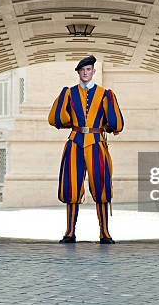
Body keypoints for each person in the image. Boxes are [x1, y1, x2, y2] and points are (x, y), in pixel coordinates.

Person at [48, 55, 124, 244]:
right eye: (82, 70)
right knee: (71, 187)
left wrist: (105, 126)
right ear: (78, 73)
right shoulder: (69, 93)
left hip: (97, 143)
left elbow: (116, 123)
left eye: (88, 69)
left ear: (93, 71)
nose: (85, 72)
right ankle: (69, 232)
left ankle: (104, 232)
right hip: (75, 142)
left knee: (101, 186)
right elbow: (56, 118)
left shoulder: (105, 94)